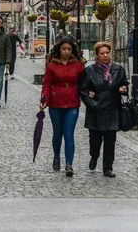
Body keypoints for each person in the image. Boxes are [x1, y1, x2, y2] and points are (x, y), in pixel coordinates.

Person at [79, 41, 129, 178]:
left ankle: (108, 168)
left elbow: (124, 84)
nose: (105, 55)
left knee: (110, 141)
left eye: (107, 53)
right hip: (96, 110)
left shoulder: (118, 69)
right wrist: (91, 102)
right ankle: (94, 156)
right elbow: (83, 90)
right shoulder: (89, 71)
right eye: (102, 53)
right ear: (97, 55)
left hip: (113, 110)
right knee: (94, 140)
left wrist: (123, 89)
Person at [40, 35, 84, 177]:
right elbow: (46, 84)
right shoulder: (52, 65)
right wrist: (44, 100)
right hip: (55, 102)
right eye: (64, 49)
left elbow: (83, 83)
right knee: (57, 133)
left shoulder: (77, 65)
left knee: (69, 134)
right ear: (59, 49)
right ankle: (57, 156)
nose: (66, 51)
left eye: (69, 49)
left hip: (72, 102)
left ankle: (69, 164)